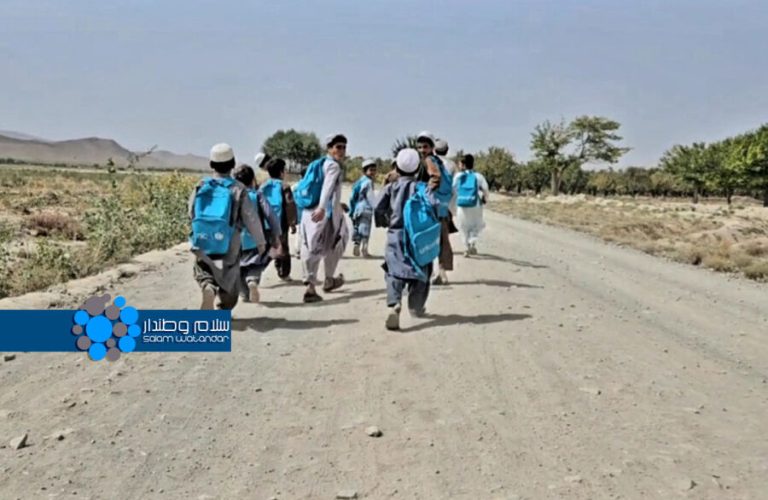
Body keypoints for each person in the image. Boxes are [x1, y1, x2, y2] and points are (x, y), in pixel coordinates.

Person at [189, 144, 267, 310]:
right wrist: (260, 242)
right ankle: (224, 306)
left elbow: (191, 212)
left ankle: (208, 287)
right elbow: (250, 218)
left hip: (203, 239)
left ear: (211, 164)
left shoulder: (201, 185)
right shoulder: (238, 189)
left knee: (203, 267)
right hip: (230, 242)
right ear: (233, 164)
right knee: (230, 276)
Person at [375, 148, 439, 331]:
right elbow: (434, 206)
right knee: (422, 270)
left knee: (393, 271)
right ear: (417, 168)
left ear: (397, 167)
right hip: (418, 238)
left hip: (396, 235)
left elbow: (379, 209)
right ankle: (415, 307)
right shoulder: (422, 188)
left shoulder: (391, 187)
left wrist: (384, 222)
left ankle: (394, 303)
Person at [299, 133, 349, 303]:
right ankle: (327, 279)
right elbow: (327, 188)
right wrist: (322, 207)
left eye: (343, 147)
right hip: (325, 214)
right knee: (338, 242)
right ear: (329, 148)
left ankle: (310, 284)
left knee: (311, 246)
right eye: (338, 147)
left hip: (309, 212)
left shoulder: (317, 164)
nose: (341, 150)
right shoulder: (333, 166)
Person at [233, 164, 282, 302]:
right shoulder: (257, 195)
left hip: (235, 240)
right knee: (257, 263)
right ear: (253, 180)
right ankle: (252, 280)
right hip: (256, 238)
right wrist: (276, 234)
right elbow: (270, 215)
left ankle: (244, 293)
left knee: (239, 267)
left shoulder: (231, 196)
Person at [415, 131, 455, 285]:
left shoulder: (429, 161)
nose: (422, 150)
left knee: (426, 240)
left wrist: (425, 193)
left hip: (431, 207)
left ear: (432, 147)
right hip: (442, 207)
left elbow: (435, 177)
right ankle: (442, 273)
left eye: (425, 146)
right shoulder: (440, 161)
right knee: (442, 241)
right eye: (419, 147)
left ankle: (424, 274)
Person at [261, 158, 298, 280]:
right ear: (282, 172)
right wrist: (292, 223)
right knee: (283, 248)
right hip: (280, 224)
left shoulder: (263, 186)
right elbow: (289, 204)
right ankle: (284, 273)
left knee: (266, 247)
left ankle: (256, 271)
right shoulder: (284, 186)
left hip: (264, 223)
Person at [453, 154, 490, 256]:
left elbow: (453, 189)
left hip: (462, 204)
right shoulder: (478, 176)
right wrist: (485, 199)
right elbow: (486, 190)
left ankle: (466, 247)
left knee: (463, 226)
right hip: (475, 204)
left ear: (463, 165)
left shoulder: (458, 176)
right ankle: (472, 243)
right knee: (475, 224)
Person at [349, 159, 377, 257]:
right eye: (371, 170)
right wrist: (377, 207)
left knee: (358, 228)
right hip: (366, 209)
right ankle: (364, 250)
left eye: (374, 170)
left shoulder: (359, 182)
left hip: (358, 209)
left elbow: (352, 197)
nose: (373, 172)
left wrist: (352, 210)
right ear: (365, 171)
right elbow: (371, 197)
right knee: (365, 229)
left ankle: (356, 245)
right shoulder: (369, 182)